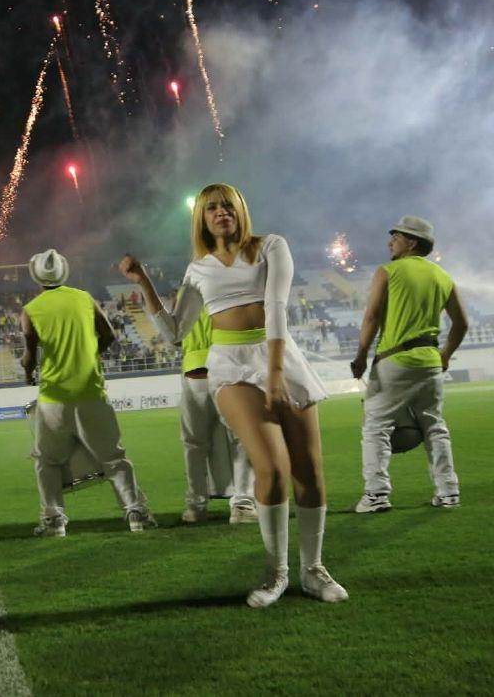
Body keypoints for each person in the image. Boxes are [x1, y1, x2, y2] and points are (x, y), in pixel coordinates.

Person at [120, 183, 347, 608]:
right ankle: (276, 571)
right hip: (230, 364)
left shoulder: (271, 246)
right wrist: (144, 282)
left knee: (309, 473)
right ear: (201, 220)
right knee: (272, 468)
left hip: (280, 356)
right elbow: (173, 333)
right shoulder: (198, 269)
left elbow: (276, 307)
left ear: (240, 210)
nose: (221, 212)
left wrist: (276, 371)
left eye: (227, 205)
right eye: (211, 209)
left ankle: (312, 570)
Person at [21, 249, 157, 537]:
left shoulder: (31, 310)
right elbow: (109, 335)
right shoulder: (84, 298)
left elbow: (28, 357)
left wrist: (27, 373)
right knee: (114, 459)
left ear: (37, 276)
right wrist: (90, 357)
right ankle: (136, 513)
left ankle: (54, 520)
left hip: (53, 399)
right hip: (91, 392)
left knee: (47, 462)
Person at [349, 216, 468, 512]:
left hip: (395, 360)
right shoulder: (442, 276)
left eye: (396, 237)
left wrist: (361, 355)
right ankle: (448, 491)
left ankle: (376, 494)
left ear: (411, 242)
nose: (390, 241)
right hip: (430, 361)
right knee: (435, 427)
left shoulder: (388, 271)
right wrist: (445, 355)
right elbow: (461, 324)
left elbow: (372, 318)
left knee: (376, 426)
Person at [177, 305, 257, 525]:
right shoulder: (226, 297)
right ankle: (242, 504)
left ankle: (196, 507)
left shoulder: (186, 301)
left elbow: (175, 336)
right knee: (240, 439)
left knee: (194, 444)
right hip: (226, 367)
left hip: (194, 371)